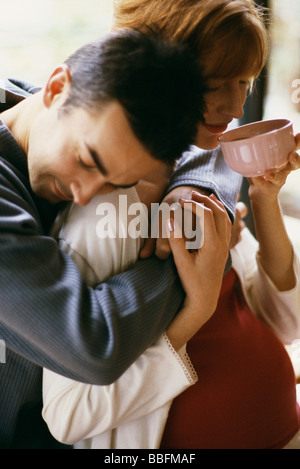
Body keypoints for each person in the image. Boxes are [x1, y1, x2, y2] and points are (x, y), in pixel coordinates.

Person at [41, 0, 300, 449]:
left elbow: (283, 322)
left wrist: (265, 199)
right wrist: (194, 309)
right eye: (217, 84)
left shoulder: (206, 180)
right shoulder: (103, 217)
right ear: (160, 70)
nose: (237, 104)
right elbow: (67, 414)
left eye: (245, 81)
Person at [0, 29, 240, 449]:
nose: (85, 195)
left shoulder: (67, 109)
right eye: (87, 161)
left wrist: (198, 192)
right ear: (58, 89)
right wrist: (197, 255)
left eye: (116, 183)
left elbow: (213, 145)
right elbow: (94, 345)